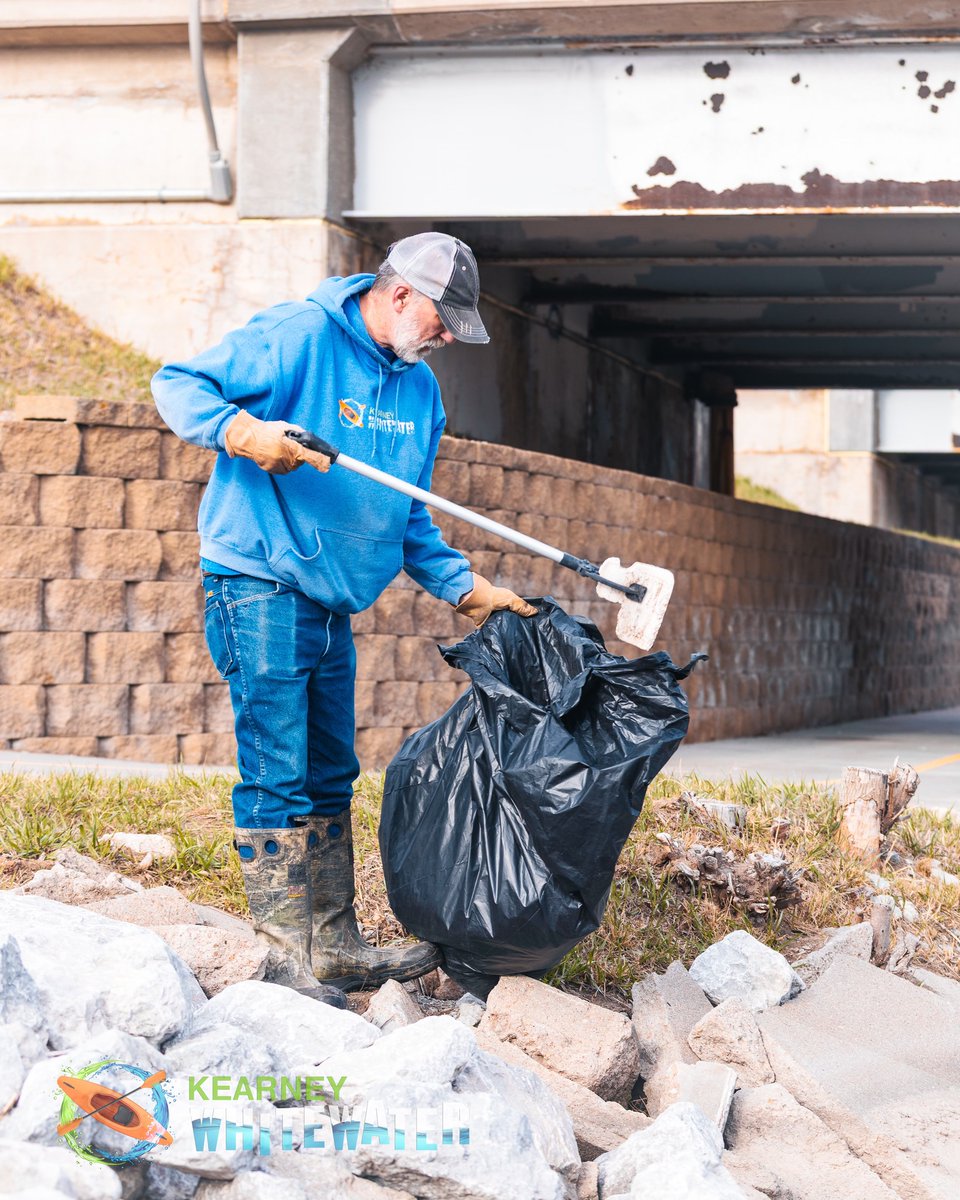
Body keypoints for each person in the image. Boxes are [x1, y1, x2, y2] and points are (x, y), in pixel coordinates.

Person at [152, 232, 536, 1008]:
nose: (446, 337)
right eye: (440, 319)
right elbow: (178, 385)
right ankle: (286, 955)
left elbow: (409, 519)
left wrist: (464, 588)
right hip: (260, 576)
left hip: (331, 597)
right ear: (399, 295)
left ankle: (335, 946)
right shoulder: (300, 336)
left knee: (331, 771)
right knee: (278, 767)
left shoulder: (419, 394)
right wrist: (245, 433)